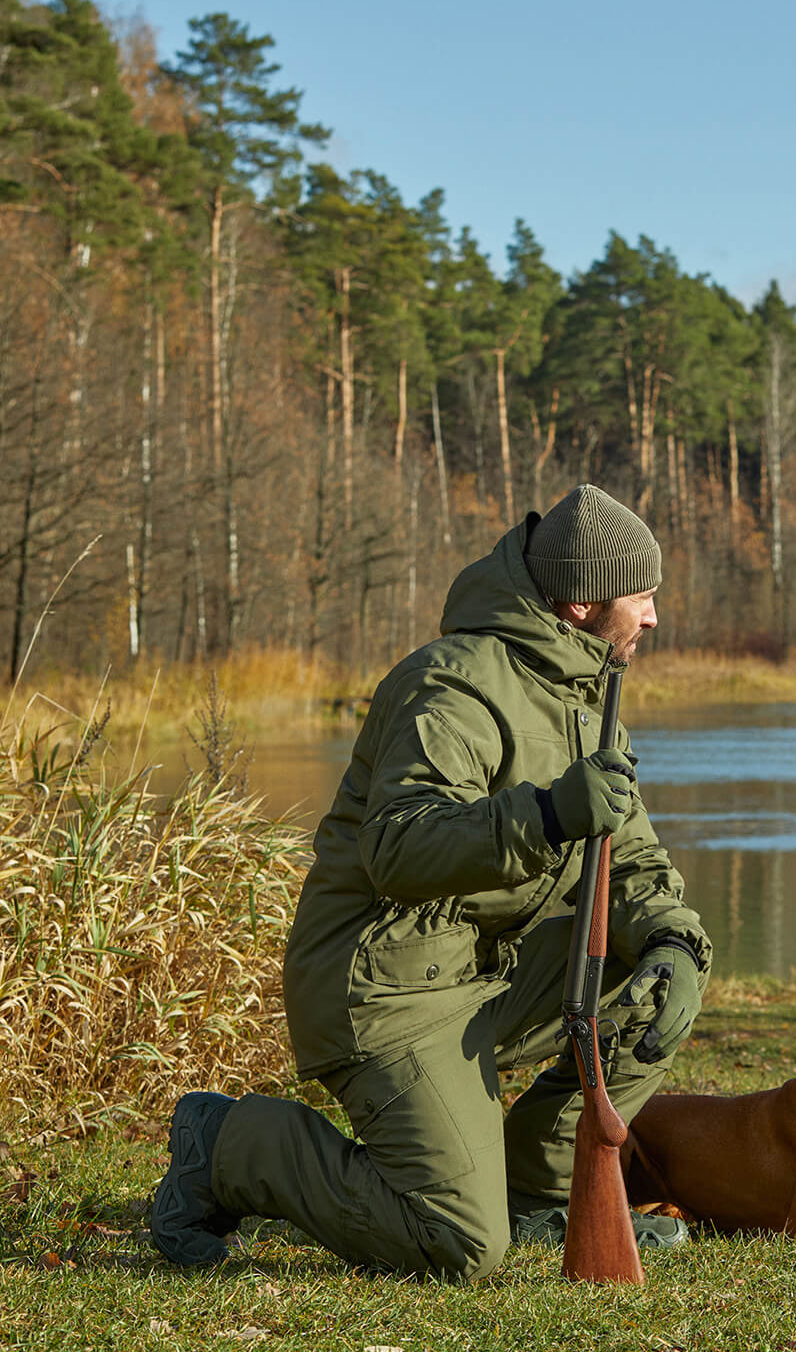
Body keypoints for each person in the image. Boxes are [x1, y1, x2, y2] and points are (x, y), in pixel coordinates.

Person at [150, 484, 711, 1281]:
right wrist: (548, 814)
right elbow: (399, 848)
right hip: (387, 986)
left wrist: (672, 941)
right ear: (584, 603)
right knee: (459, 1245)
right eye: (642, 596)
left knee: (661, 967)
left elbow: (636, 860)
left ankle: (535, 1196)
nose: (654, 616)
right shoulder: (450, 685)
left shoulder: (589, 695)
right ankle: (228, 1147)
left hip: (484, 971)